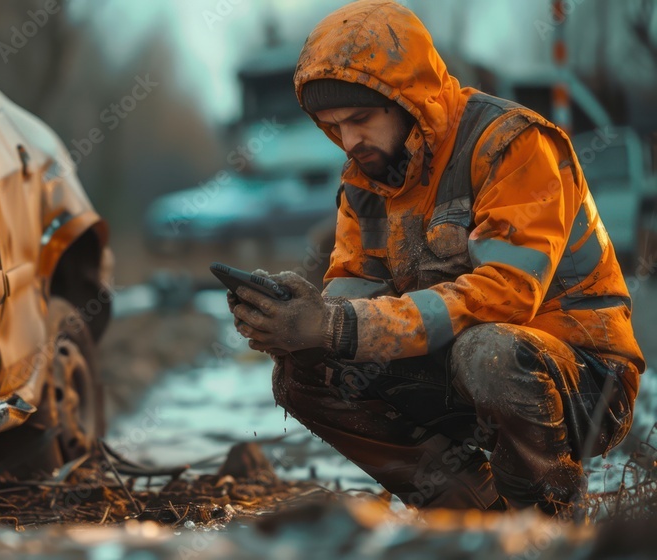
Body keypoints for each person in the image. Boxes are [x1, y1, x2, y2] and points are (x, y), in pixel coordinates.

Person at [228, 0, 644, 514]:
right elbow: (354, 299)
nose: (349, 141)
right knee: (305, 372)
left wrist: (339, 325)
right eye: (332, 125)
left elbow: (508, 294)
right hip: (465, 366)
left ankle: (547, 524)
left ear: (408, 101)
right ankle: (469, 516)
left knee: (487, 352)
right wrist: (299, 321)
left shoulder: (512, 143)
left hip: (586, 377)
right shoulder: (363, 183)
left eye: (360, 119)